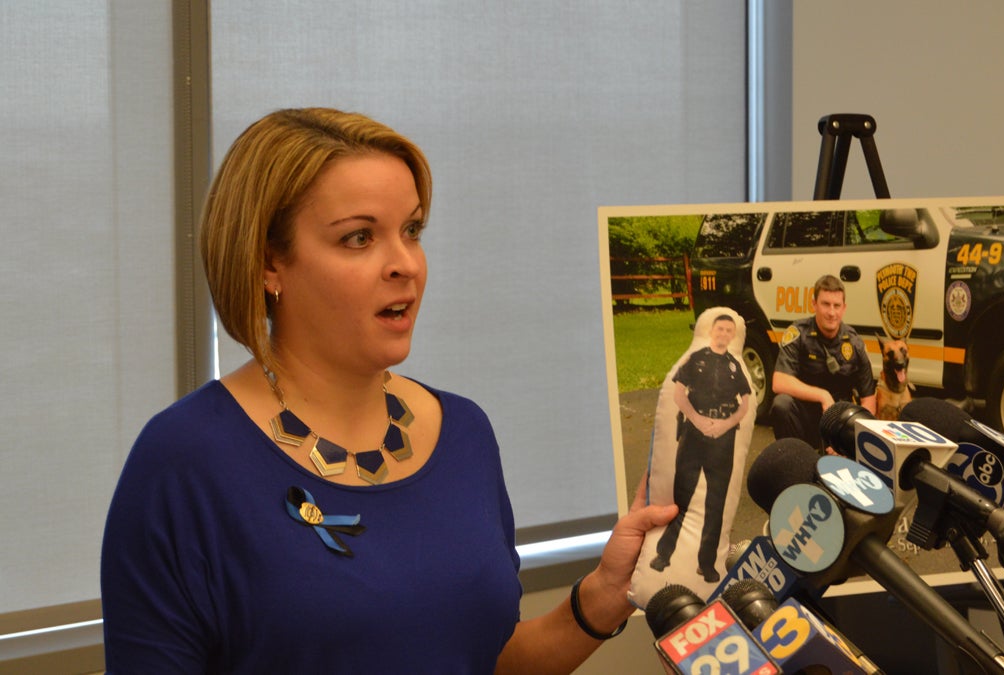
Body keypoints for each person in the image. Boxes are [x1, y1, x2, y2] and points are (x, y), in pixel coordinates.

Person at [99, 107, 677, 674]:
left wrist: (604, 593)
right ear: (268, 263)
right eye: (358, 238)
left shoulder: (465, 431)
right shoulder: (183, 462)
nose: (406, 264)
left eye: (412, 231)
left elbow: (483, 660)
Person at [648, 314, 751, 583]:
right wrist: (698, 420)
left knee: (716, 503)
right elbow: (679, 393)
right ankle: (664, 555)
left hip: (723, 439)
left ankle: (706, 564)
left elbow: (746, 403)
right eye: (720, 328)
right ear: (712, 331)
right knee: (681, 499)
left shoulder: (734, 366)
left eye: (729, 330)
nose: (724, 333)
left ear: (732, 335)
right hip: (694, 435)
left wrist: (725, 425)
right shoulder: (695, 359)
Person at [770, 274, 876, 451]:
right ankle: (795, 457)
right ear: (814, 304)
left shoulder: (854, 343)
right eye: (825, 304)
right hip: (805, 416)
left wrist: (848, 440)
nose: (831, 312)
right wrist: (822, 395)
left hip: (839, 423)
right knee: (782, 404)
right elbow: (779, 382)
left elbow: (869, 402)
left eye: (837, 306)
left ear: (844, 308)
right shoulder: (798, 333)